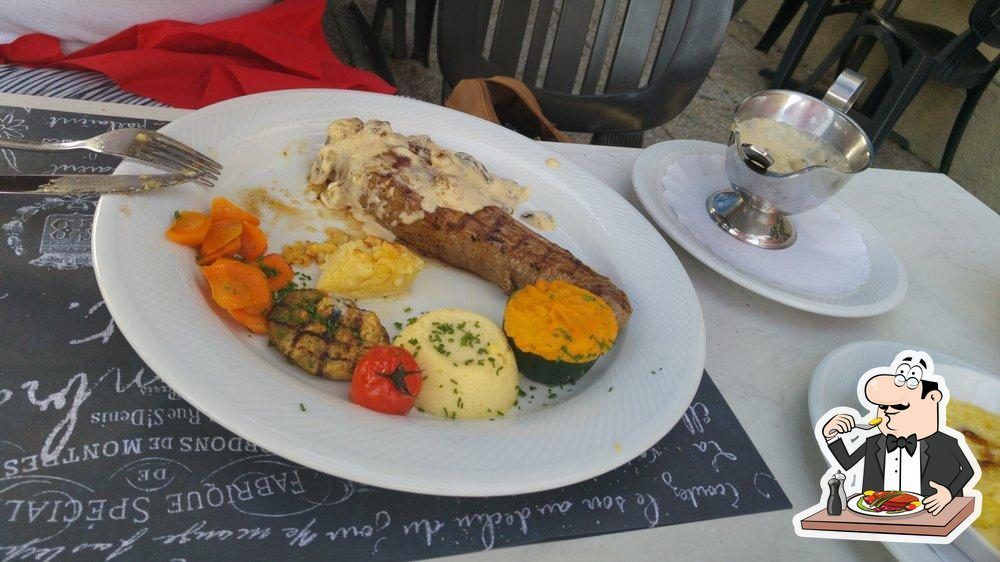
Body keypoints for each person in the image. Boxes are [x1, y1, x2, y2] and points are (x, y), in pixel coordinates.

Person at [821, 351, 977, 516]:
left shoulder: (944, 442)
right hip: (879, 514)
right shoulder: (875, 442)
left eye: (900, 406)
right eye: (883, 407)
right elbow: (846, 463)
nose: (888, 412)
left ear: (932, 399)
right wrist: (831, 436)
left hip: (930, 514)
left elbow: (968, 470)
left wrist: (948, 493)